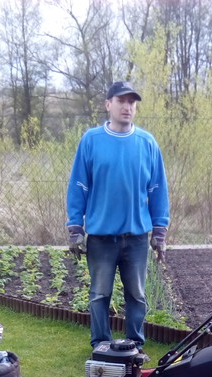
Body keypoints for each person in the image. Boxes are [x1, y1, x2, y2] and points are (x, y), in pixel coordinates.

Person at [66, 80, 170, 358]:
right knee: (100, 294)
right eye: (121, 101)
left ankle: (134, 346)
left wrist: (160, 230)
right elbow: (78, 185)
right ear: (108, 104)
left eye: (132, 102)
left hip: (136, 238)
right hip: (101, 237)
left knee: (137, 295)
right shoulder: (91, 140)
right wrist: (75, 226)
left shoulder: (147, 143)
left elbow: (158, 189)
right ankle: (101, 344)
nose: (127, 107)